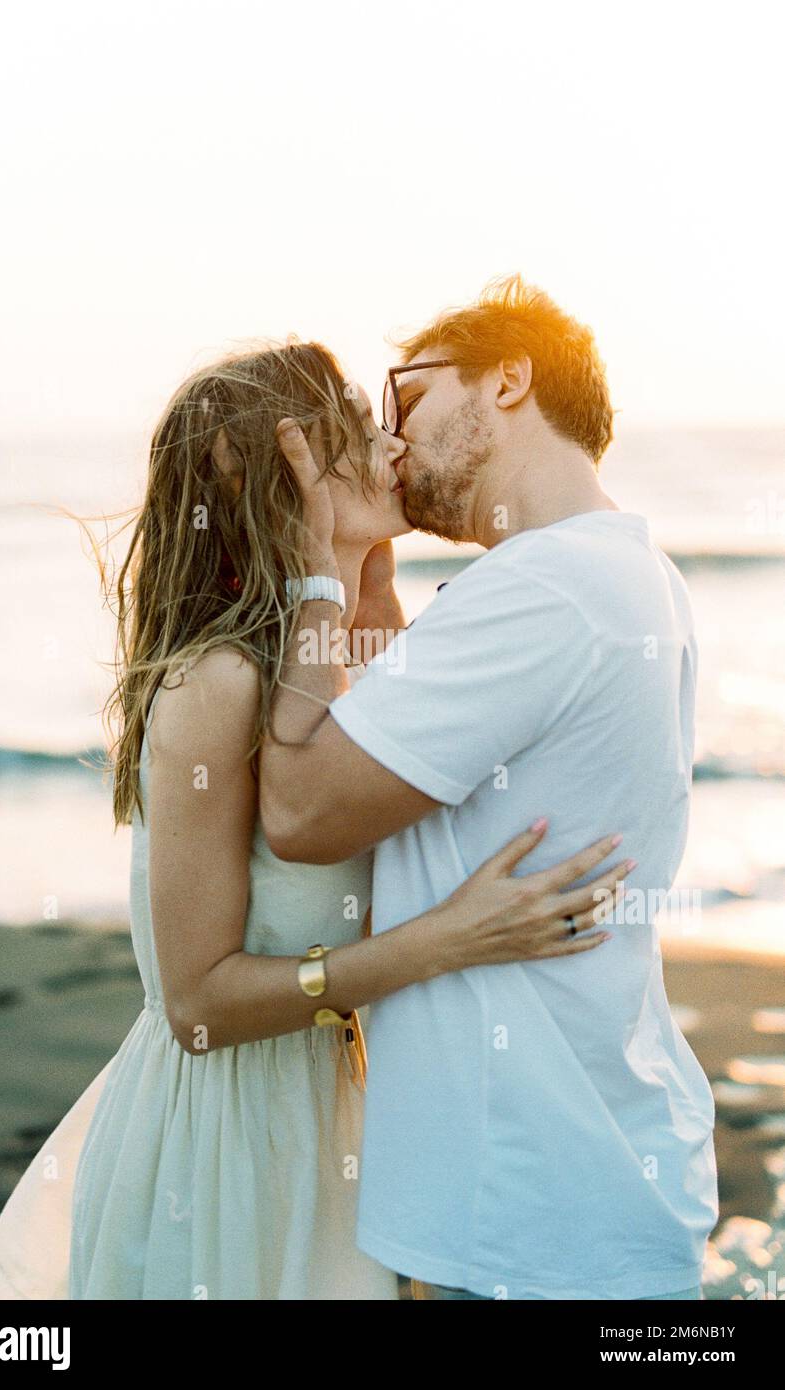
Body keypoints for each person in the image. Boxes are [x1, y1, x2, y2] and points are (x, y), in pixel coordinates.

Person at [0, 338, 626, 1301]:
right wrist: (447, 942)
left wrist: (364, 577)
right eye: (358, 432)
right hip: (226, 1151)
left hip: (331, 1122)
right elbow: (195, 1006)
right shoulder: (218, 682)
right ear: (281, 474)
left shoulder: (331, 660)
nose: (395, 448)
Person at [259, 277, 719, 1301]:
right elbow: (402, 755)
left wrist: (311, 569)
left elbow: (301, 808)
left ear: (507, 378)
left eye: (404, 398)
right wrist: (371, 574)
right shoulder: (620, 571)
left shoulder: (539, 590)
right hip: (576, 1173)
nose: (387, 440)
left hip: (522, 1212)